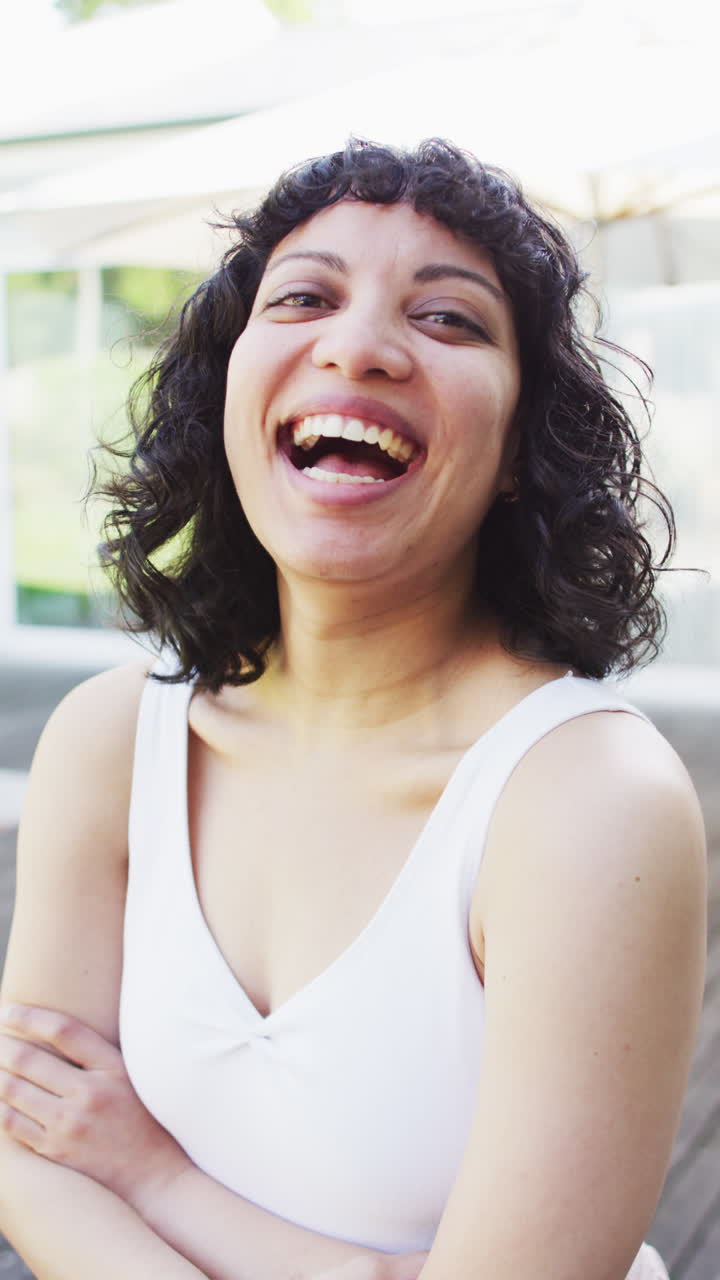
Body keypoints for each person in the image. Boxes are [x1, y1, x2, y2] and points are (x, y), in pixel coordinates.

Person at [0, 139, 707, 1280]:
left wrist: (151, 1171)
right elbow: (28, 1149)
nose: (358, 344)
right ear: (230, 389)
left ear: (524, 447)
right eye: (304, 297)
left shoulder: (585, 803)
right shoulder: (111, 739)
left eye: (449, 319)